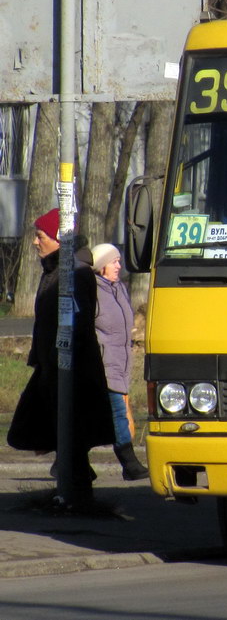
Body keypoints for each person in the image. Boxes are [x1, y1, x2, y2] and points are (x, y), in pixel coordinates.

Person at [7, 209, 116, 505]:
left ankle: (75, 491)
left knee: (69, 430)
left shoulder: (75, 273)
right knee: (52, 430)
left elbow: (75, 323)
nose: (34, 242)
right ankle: (73, 485)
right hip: (52, 366)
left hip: (70, 369)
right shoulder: (55, 271)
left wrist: (62, 359)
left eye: (40, 235)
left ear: (57, 238)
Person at [90, 243, 149, 481]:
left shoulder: (119, 288)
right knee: (117, 413)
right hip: (104, 364)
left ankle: (66, 463)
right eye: (114, 261)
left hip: (120, 362)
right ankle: (130, 464)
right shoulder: (92, 290)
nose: (118, 265)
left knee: (92, 415)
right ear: (102, 265)